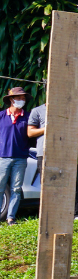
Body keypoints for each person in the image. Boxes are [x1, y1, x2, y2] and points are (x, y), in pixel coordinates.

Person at [26, 101, 78, 220]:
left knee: (71, 182)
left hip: (65, 152)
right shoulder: (37, 111)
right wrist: (47, 128)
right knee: (47, 185)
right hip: (45, 153)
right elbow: (30, 132)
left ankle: (75, 214)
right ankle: (50, 215)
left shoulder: (66, 109)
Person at [0, 87, 32, 225]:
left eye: (23, 98)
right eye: (19, 98)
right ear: (11, 100)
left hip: (21, 158)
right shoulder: (1, 116)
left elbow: (32, 136)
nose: (22, 100)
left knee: (16, 189)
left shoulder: (28, 117)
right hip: (2, 157)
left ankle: (11, 217)